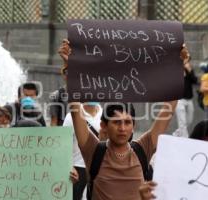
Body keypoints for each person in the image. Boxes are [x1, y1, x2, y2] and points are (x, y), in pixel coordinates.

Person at [59, 39, 183, 200]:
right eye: (116, 122)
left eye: (127, 122)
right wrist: (70, 67)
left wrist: (178, 67)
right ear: (104, 125)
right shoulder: (93, 151)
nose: (122, 128)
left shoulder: (142, 149)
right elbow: (76, 111)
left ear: (134, 125)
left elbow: (168, 112)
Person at [63, 102, 102, 200]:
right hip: (78, 169)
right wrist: (69, 166)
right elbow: (63, 143)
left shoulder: (104, 114)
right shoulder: (71, 116)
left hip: (99, 167)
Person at [173, 47, 197, 137]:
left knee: (189, 120)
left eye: (188, 59)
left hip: (189, 99)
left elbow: (195, 81)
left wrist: (189, 70)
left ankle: (176, 134)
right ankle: (185, 141)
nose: (187, 60)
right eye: (186, 58)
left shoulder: (189, 68)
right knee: (182, 122)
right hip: (179, 100)